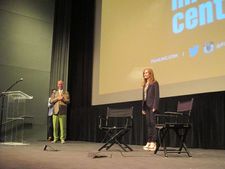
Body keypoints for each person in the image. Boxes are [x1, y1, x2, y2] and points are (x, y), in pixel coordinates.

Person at [142, 68, 159, 151]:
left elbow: (156, 96)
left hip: (152, 106)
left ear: (150, 74)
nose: (145, 74)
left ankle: (153, 142)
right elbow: (144, 97)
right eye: (144, 73)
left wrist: (155, 106)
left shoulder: (155, 83)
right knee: (148, 124)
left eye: (146, 73)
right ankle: (149, 141)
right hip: (146, 107)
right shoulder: (145, 84)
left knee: (153, 124)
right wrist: (143, 108)